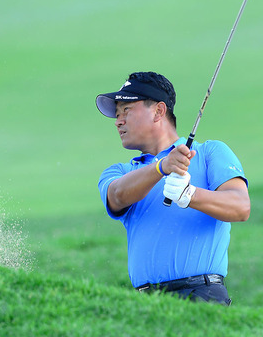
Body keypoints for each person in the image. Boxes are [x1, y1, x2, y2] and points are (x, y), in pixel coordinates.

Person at [96, 71, 250, 306]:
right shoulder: (121, 172)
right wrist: (162, 167)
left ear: (159, 111)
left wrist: (191, 194)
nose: (118, 121)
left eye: (126, 110)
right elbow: (116, 196)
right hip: (145, 304)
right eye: (117, 114)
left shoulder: (210, 153)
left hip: (202, 295)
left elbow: (240, 207)